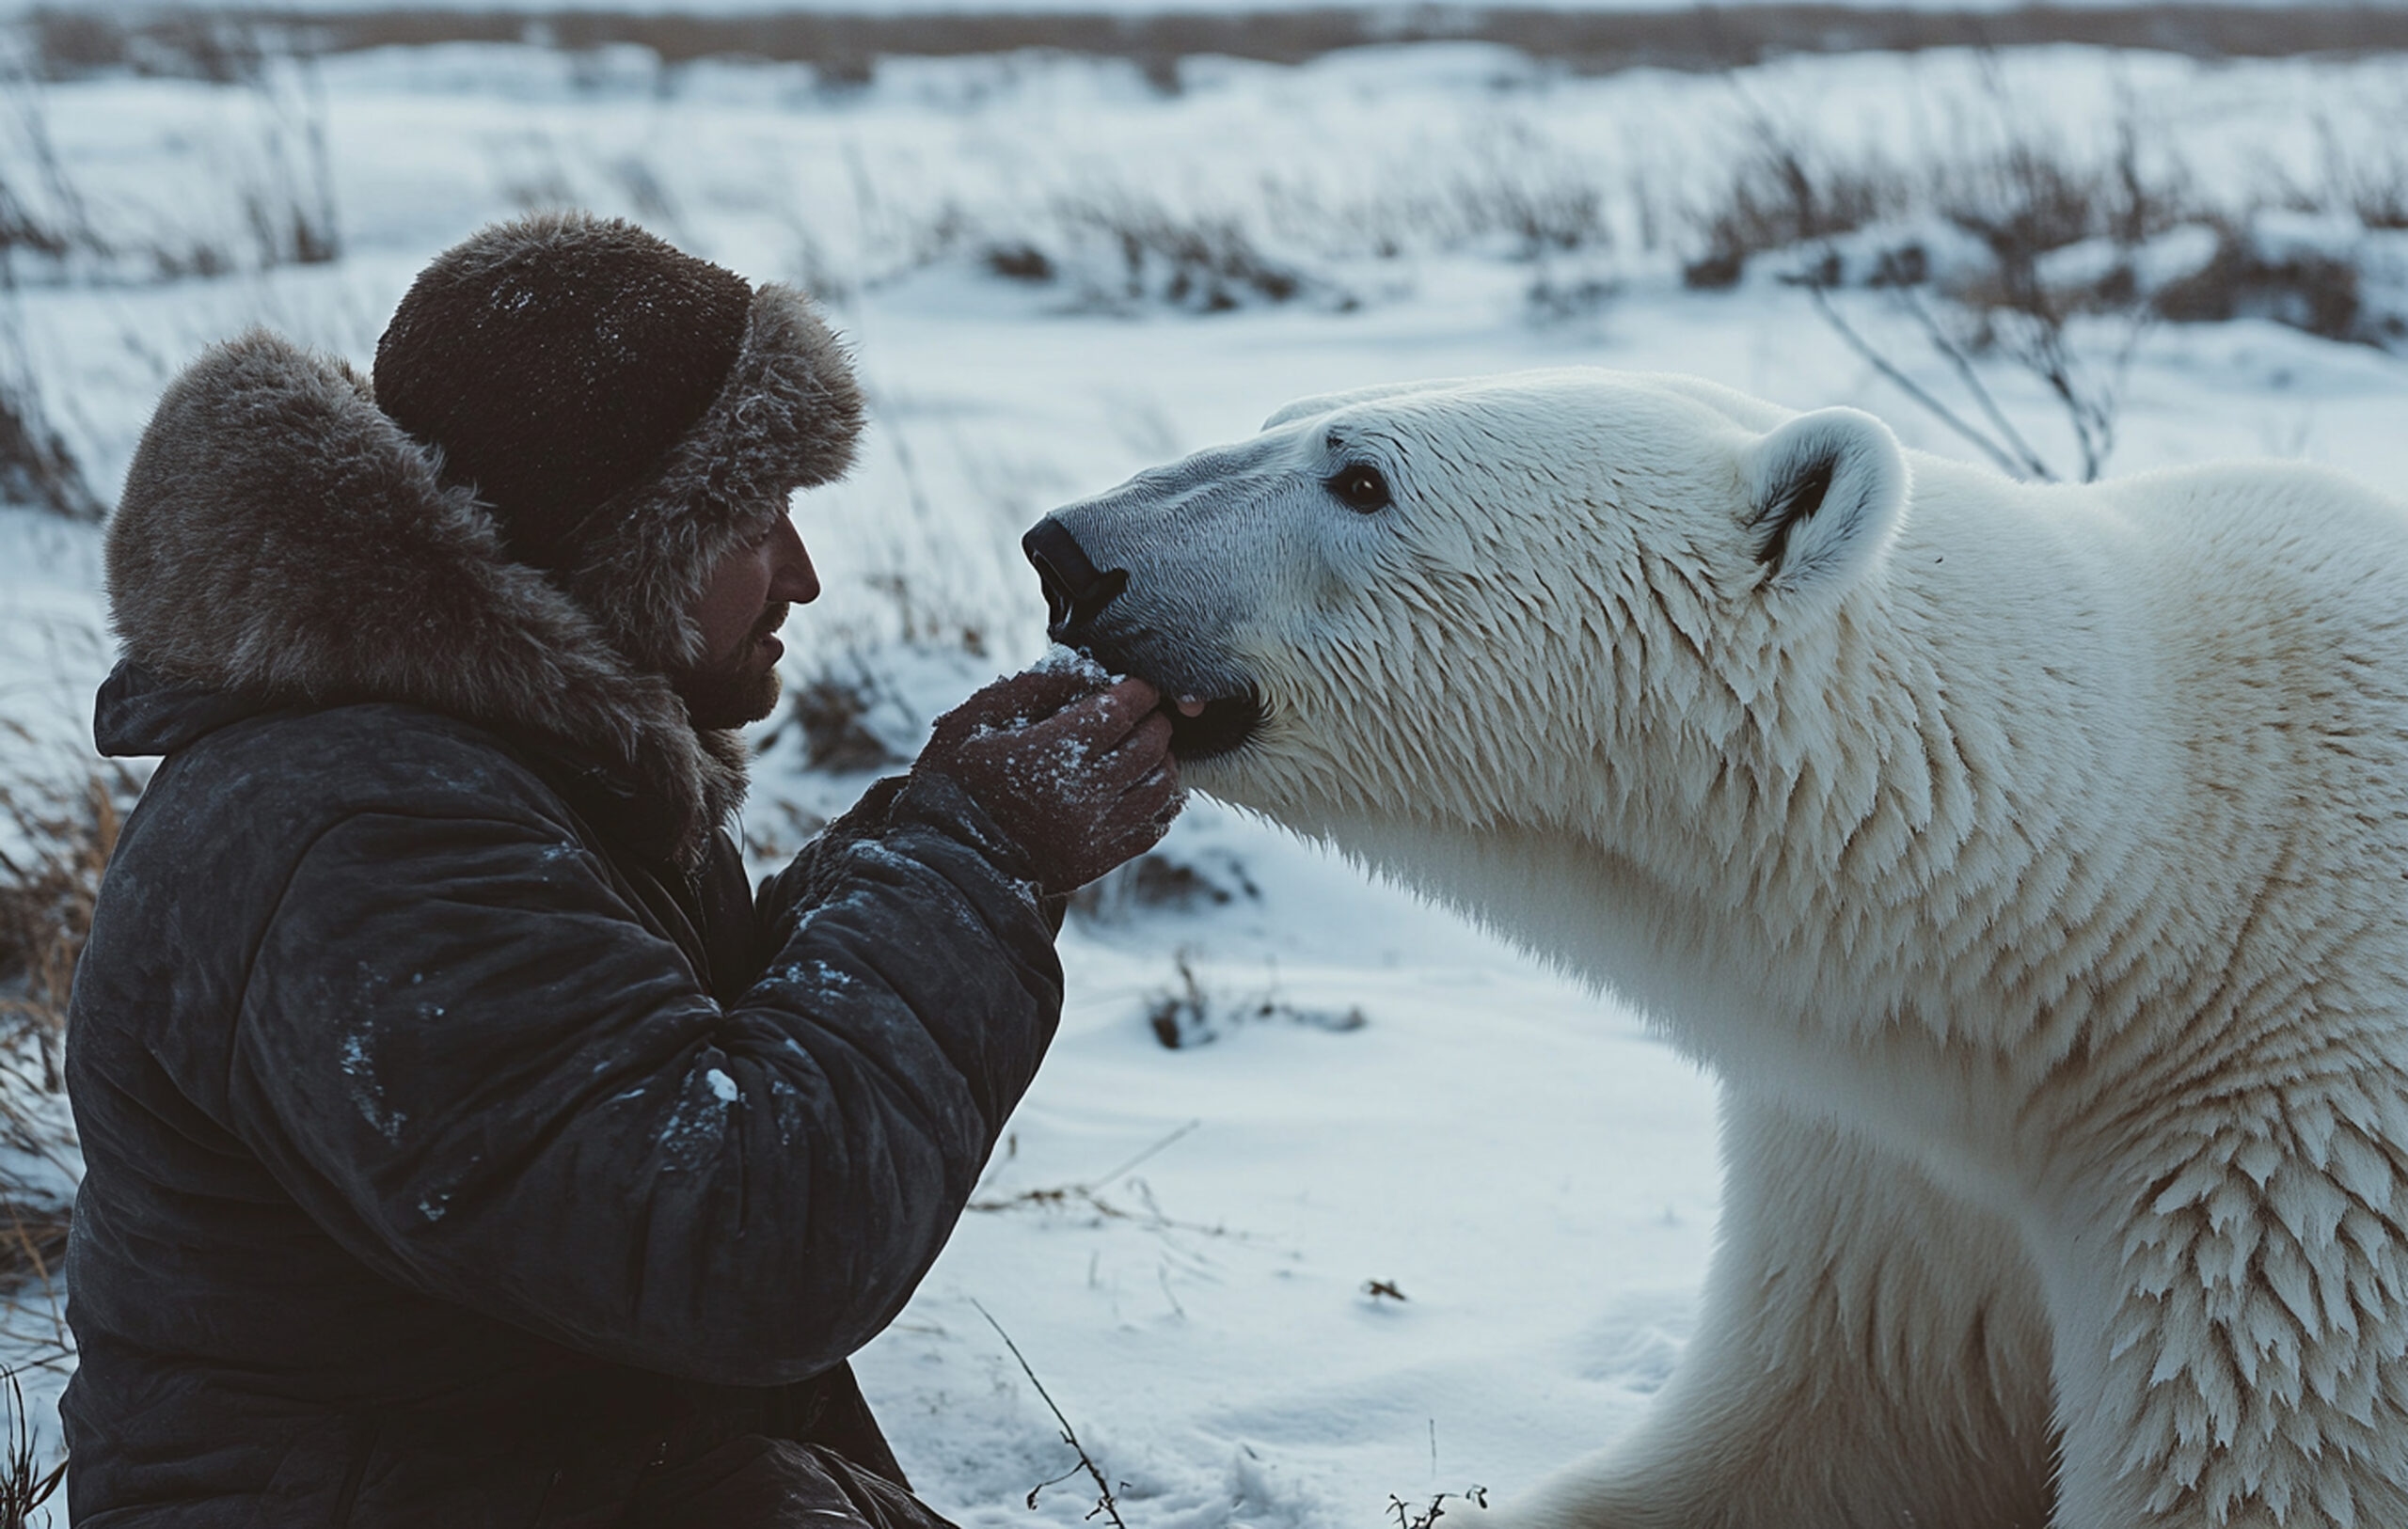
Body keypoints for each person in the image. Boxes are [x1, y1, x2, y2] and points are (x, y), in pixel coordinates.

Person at [61, 211, 1180, 1527]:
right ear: (616, 546)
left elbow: (653, 1076)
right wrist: (972, 855)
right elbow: (739, 1237)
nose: (803, 575)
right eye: (754, 518)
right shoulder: (364, 841)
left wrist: (933, 827)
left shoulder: (479, 761)